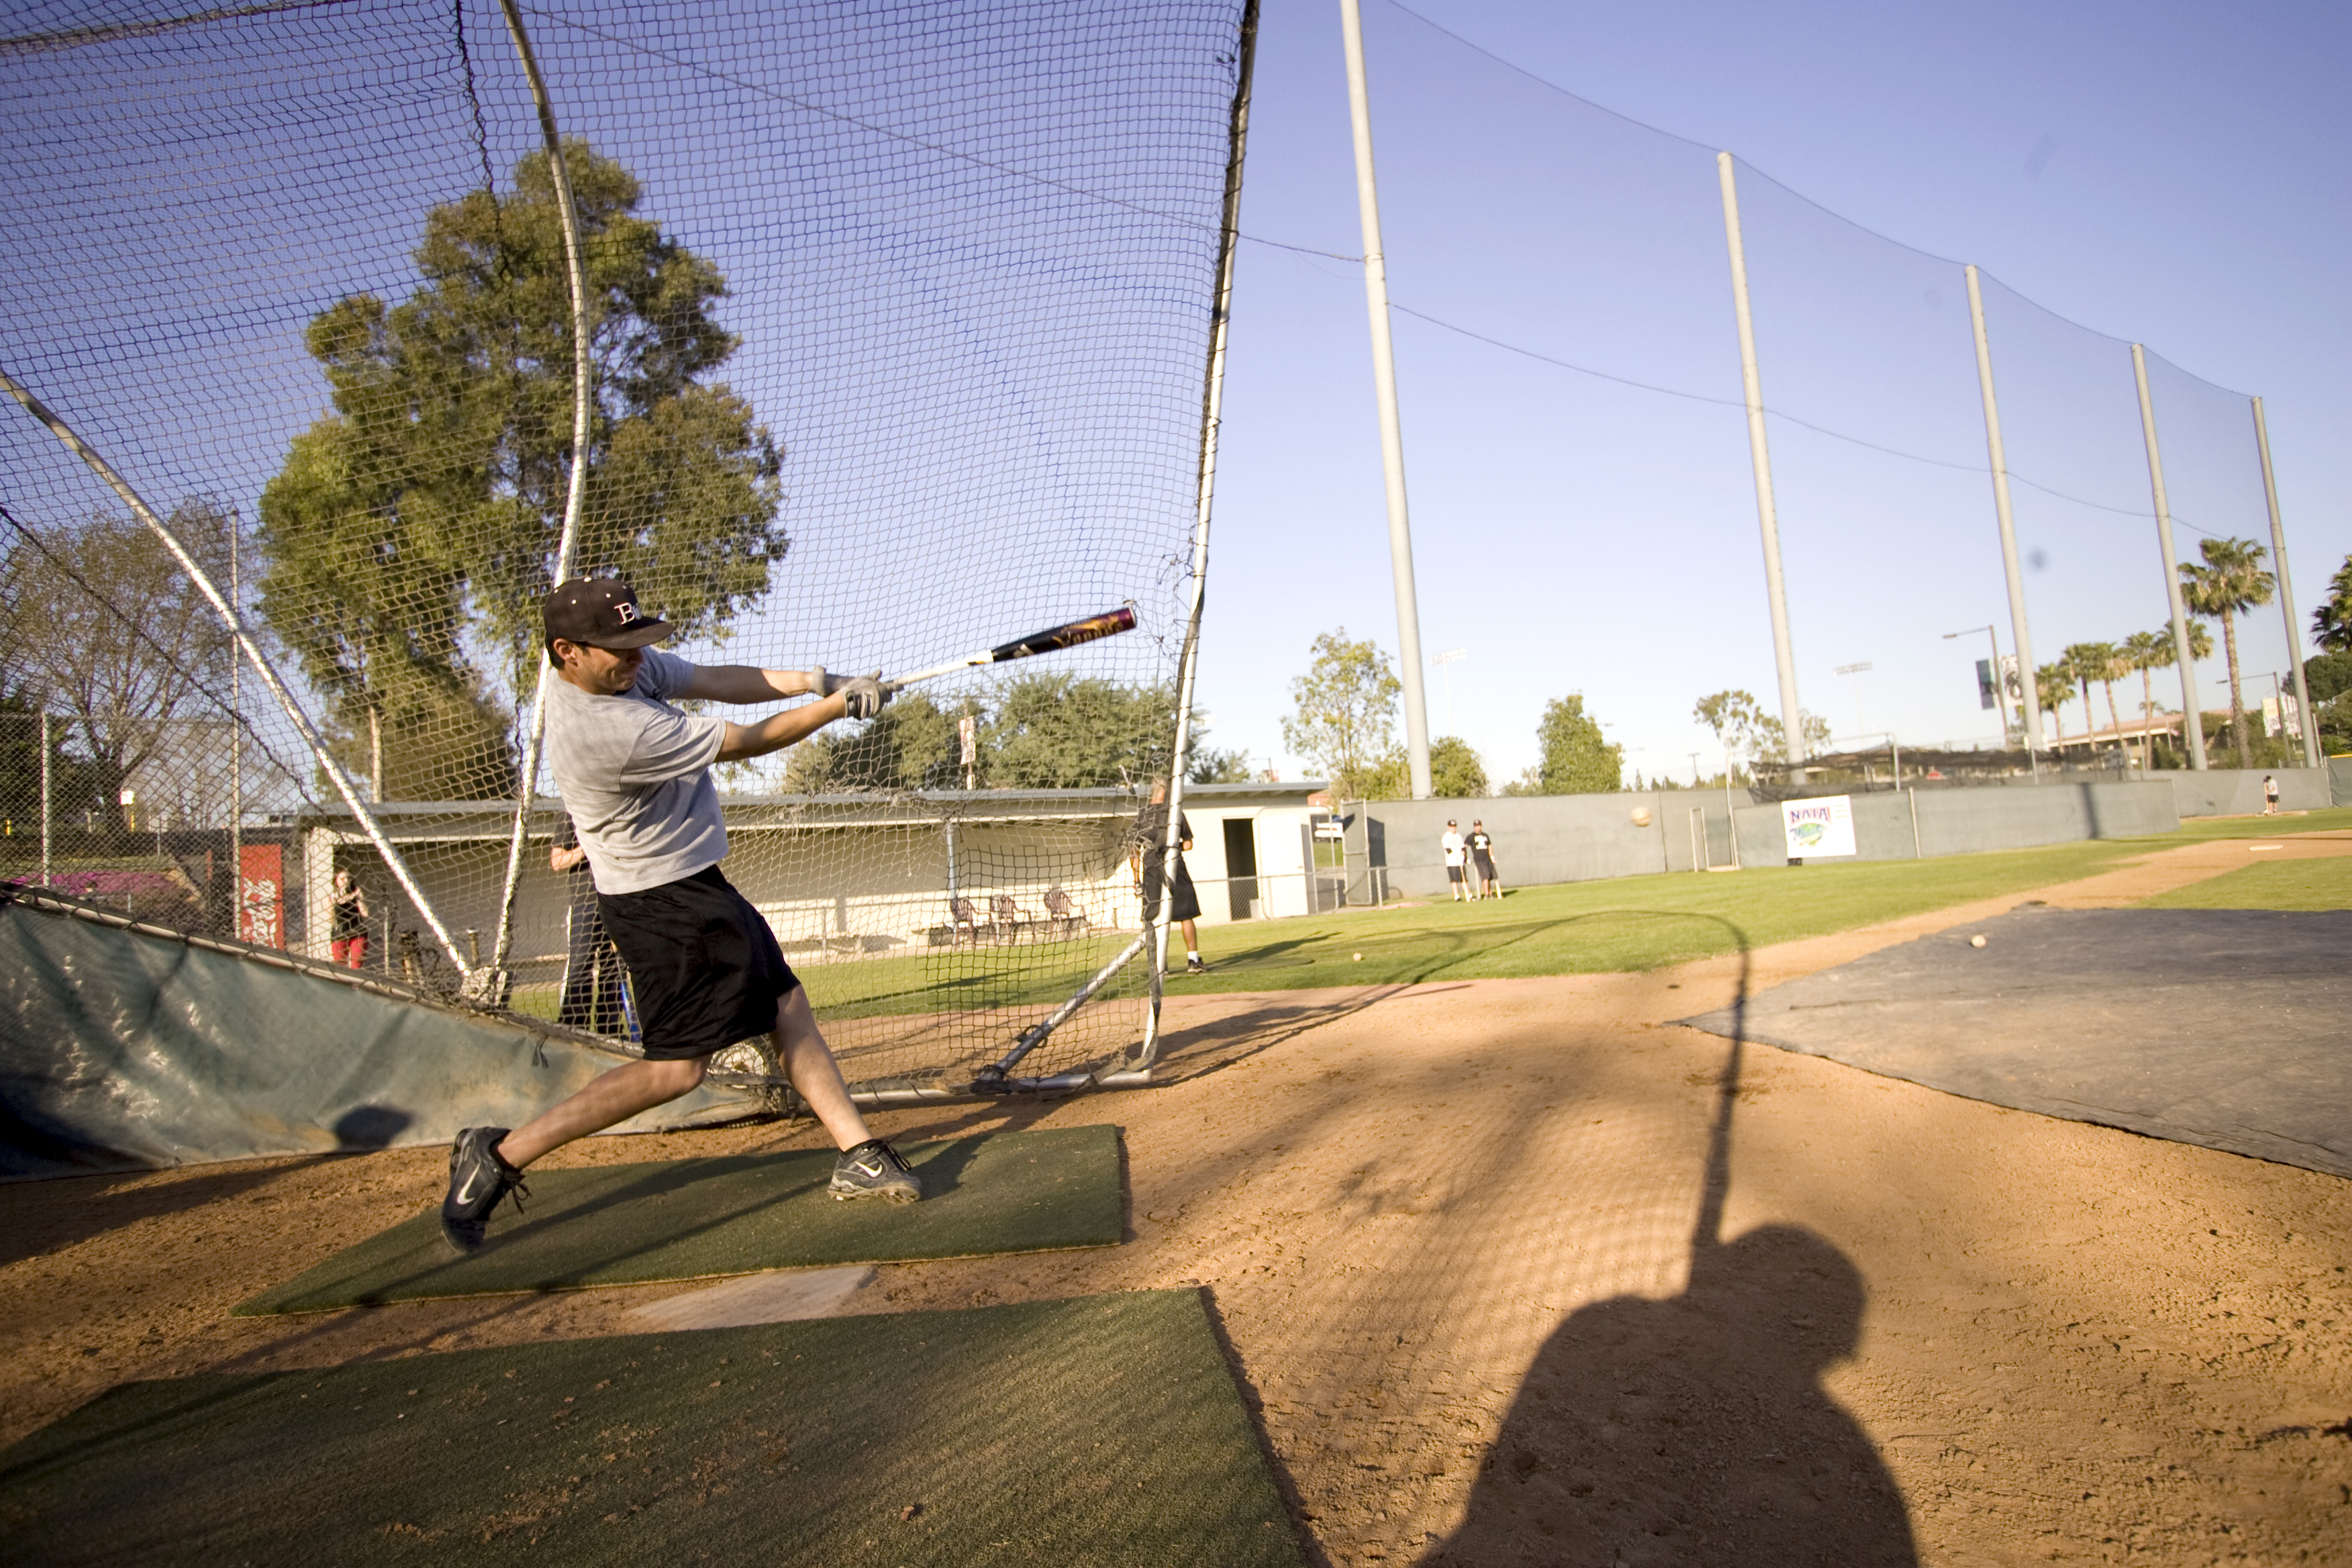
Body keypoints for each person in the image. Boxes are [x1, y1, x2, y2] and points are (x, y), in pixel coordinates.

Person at [440, 578, 918, 1253]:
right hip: (661, 902)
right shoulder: (609, 728)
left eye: (638, 645)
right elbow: (746, 739)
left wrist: (817, 677)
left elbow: (718, 677)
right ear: (566, 651)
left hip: (694, 883)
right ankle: (501, 1153)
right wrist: (837, 707)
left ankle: (859, 1151)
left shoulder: (616, 675)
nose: (636, 659)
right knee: (677, 1070)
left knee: (786, 1005)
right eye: (618, 650)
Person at [550, 814, 624, 1034]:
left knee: (614, 969)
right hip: (585, 904)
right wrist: (586, 847)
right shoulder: (571, 813)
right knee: (581, 966)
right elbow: (557, 861)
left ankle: (610, 1029)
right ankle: (575, 1028)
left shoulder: (615, 811)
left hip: (616, 901)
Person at [1130, 778, 1206, 974]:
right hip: (1174, 866)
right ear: (1163, 793)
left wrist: (1136, 880)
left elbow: (1134, 851)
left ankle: (1158, 966)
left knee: (1153, 919)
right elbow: (1188, 844)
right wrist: (1173, 848)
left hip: (1151, 869)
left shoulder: (1143, 816)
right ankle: (1193, 960)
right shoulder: (1175, 813)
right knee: (1186, 915)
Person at [329, 868, 369, 968]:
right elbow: (331, 919)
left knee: (357, 965)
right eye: (343, 878)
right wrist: (332, 906)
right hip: (341, 932)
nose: (346, 881)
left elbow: (366, 914)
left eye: (348, 878)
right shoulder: (331, 897)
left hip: (358, 931)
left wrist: (358, 898)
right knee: (340, 966)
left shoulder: (356, 894)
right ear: (336, 880)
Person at [1468, 819, 1500, 900]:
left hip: (1487, 858)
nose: (1477, 828)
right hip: (1479, 859)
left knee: (1490, 876)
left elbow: (1489, 846)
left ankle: (1489, 892)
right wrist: (1465, 858)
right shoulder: (1471, 836)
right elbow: (1465, 846)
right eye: (1476, 826)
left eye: (1479, 826)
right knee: (1485, 876)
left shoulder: (1485, 835)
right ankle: (1487, 895)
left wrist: (1492, 856)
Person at [1440, 820, 1467, 902]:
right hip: (1451, 862)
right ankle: (1457, 896)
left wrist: (1463, 857)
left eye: (1454, 827)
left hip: (1460, 862)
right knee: (1454, 880)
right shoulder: (1446, 837)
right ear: (1448, 827)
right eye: (1451, 827)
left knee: (1464, 879)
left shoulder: (1458, 836)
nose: (1453, 828)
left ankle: (1468, 894)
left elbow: (1463, 848)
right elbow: (1448, 849)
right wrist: (1455, 857)